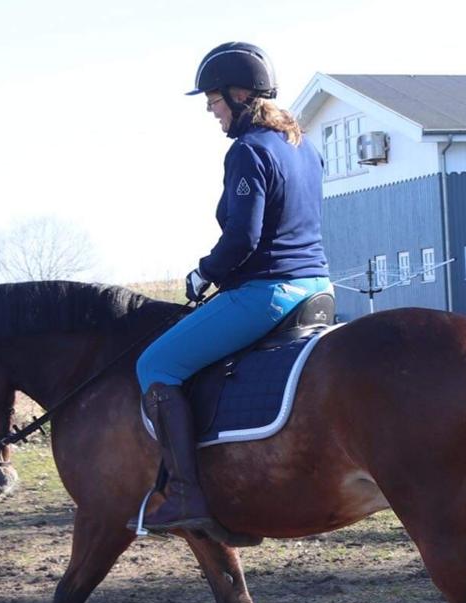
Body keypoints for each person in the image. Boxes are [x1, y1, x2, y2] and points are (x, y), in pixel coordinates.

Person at [135, 41, 332, 533]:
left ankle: (184, 493)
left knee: (154, 363)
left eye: (214, 101)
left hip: (268, 291)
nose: (211, 111)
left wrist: (205, 273)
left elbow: (243, 237)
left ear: (240, 95)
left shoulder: (248, 150)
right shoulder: (303, 147)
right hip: (318, 289)